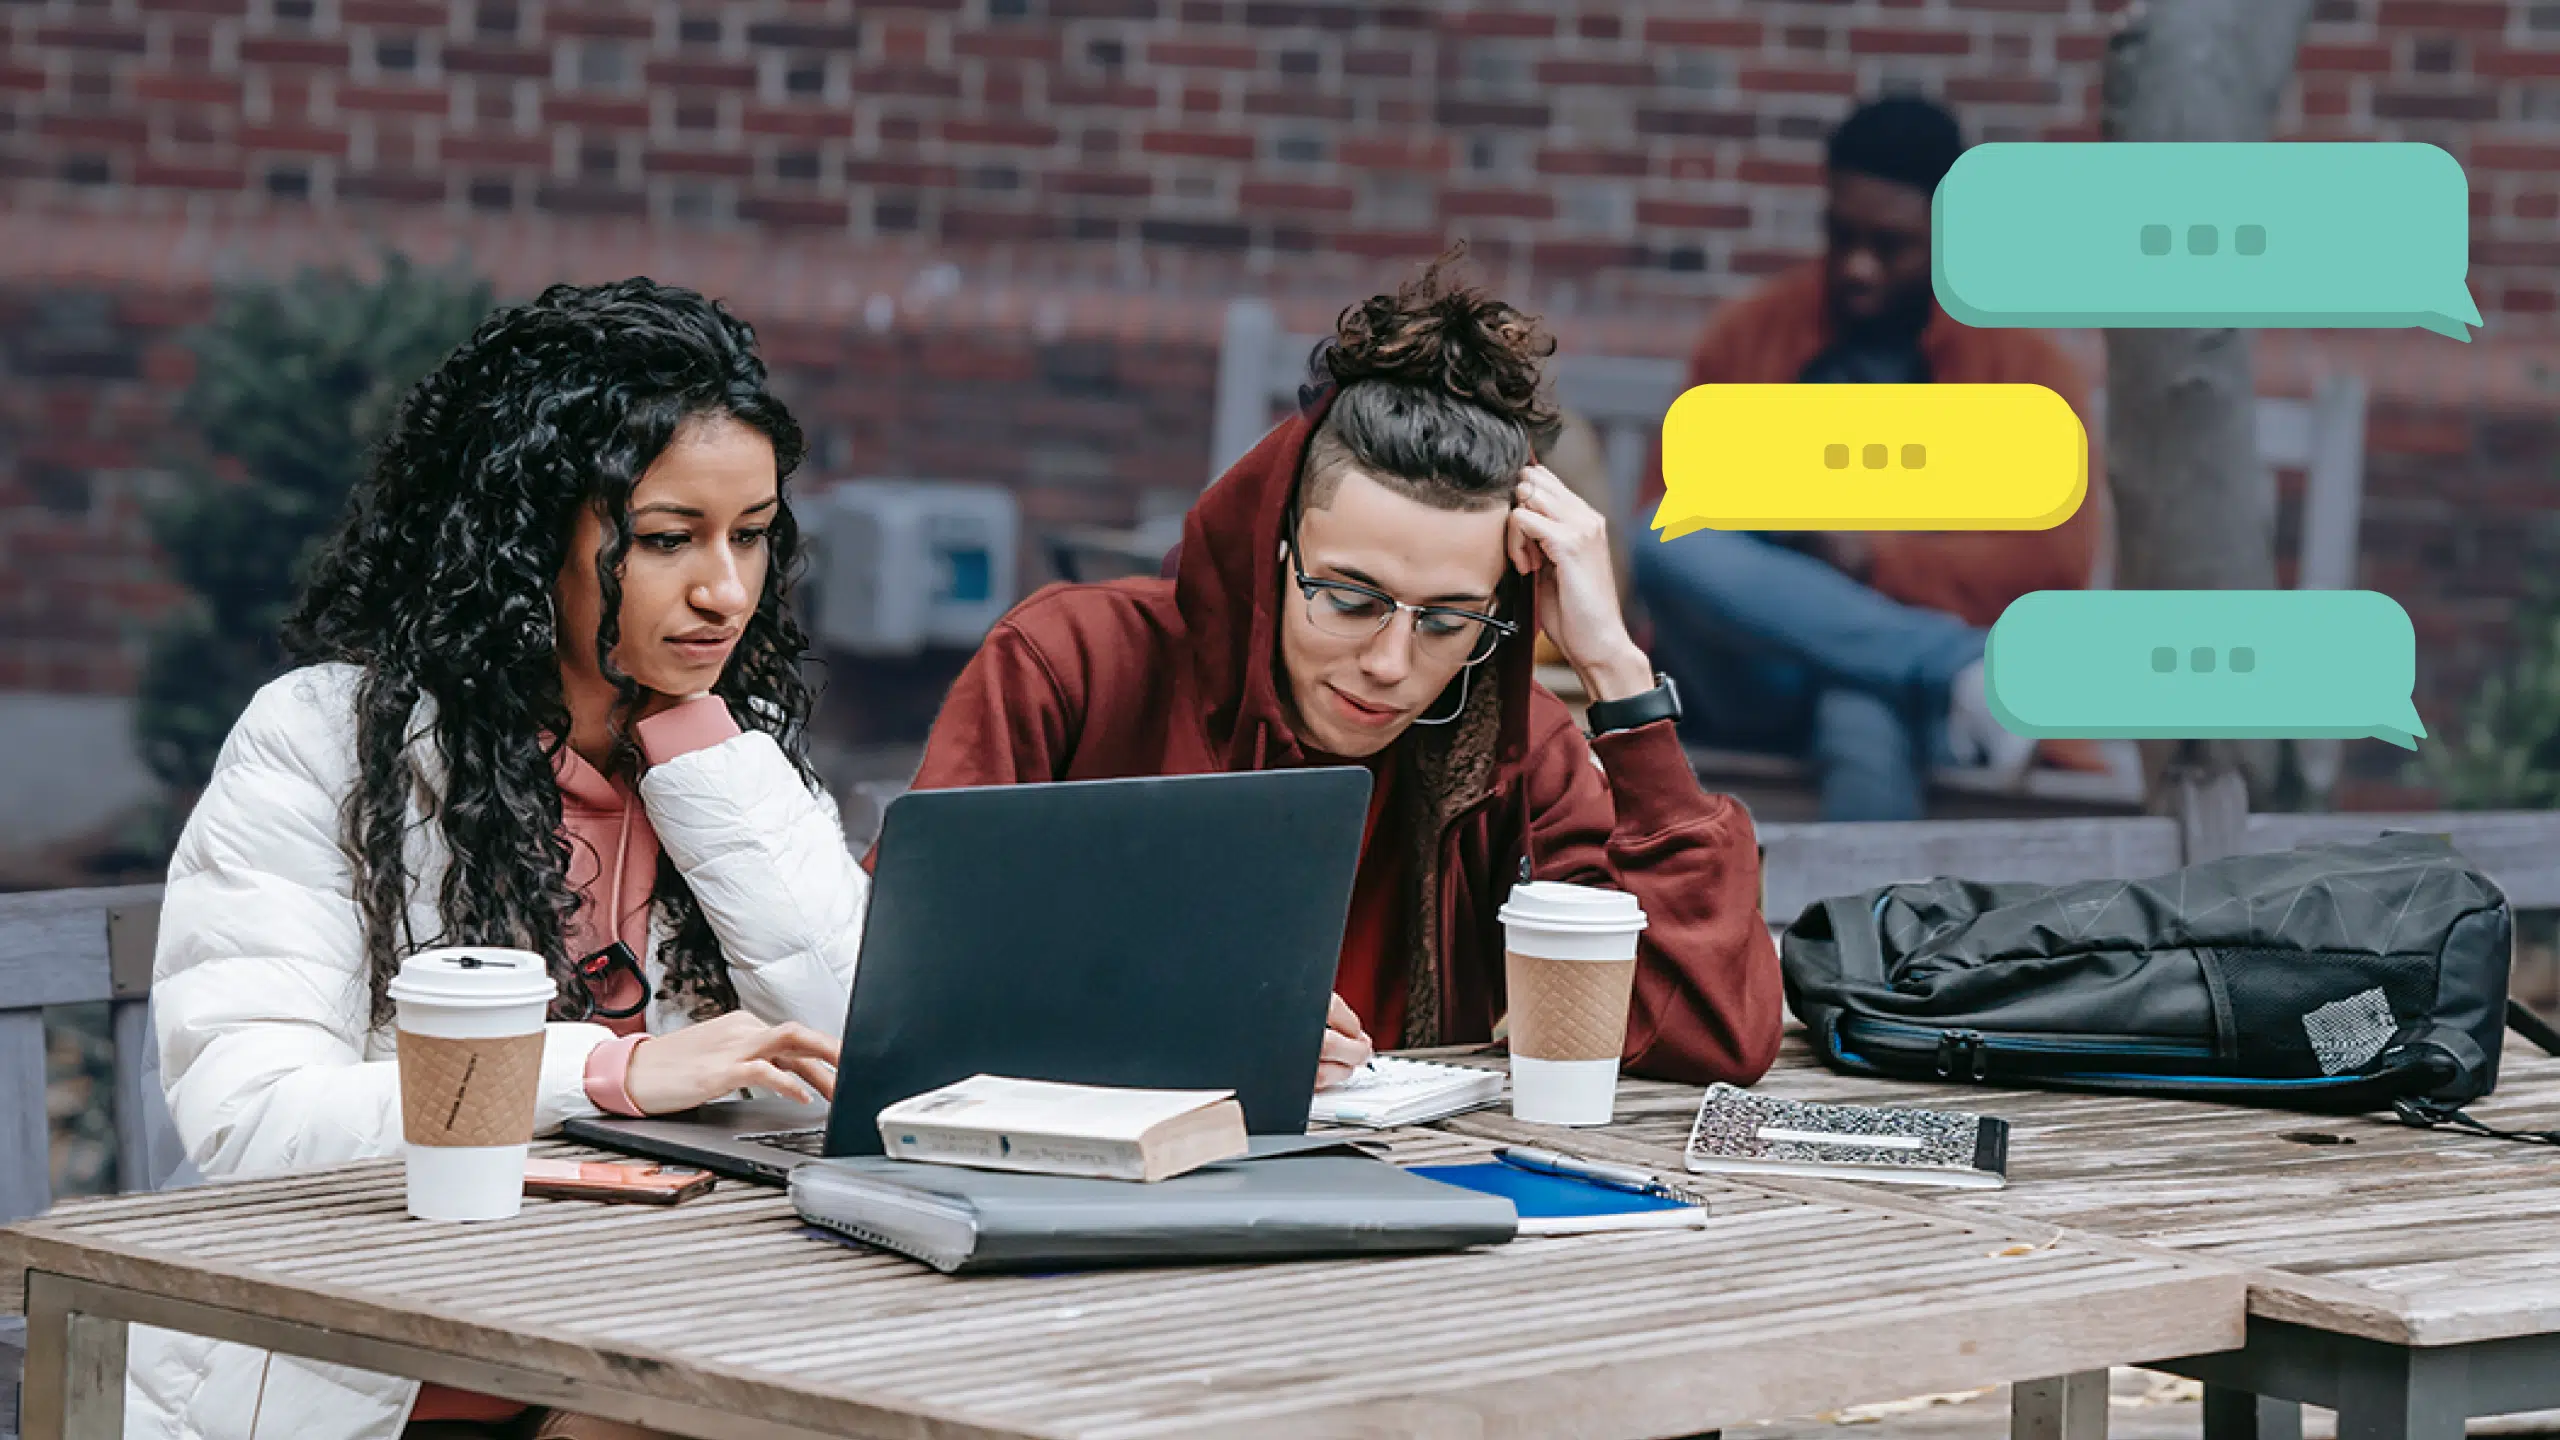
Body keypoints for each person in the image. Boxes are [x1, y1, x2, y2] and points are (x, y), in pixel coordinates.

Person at [140, 279, 868, 1440]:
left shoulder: (734, 760)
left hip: (670, 1344)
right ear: (534, 542)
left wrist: (706, 757)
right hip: (384, 1374)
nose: (725, 591)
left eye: (753, 535)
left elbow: (859, 1055)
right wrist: (604, 1075)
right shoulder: (331, 745)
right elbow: (251, 1124)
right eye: (669, 540)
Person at [898, 259, 1784, 1089]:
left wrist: (1615, 671)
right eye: (1349, 599)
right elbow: (908, 976)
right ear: (1274, 552)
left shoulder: (1517, 750)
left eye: (1447, 619)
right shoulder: (1076, 664)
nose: (1391, 664)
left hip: (1426, 1203)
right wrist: (1167, 1018)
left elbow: (1709, 1033)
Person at [1630, 95, 2111, 822]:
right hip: (1756, 673)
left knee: (1857, 698)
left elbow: (2049, 565)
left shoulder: (2023, 369)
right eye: (1840, 235)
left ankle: (1865, 921)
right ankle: (1954, 669)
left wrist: (1862, 560)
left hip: (1910, 717)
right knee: (1663, 536)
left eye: (1889, 245)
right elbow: (1683, 542)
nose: (1857, 267)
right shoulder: (1751, 336)